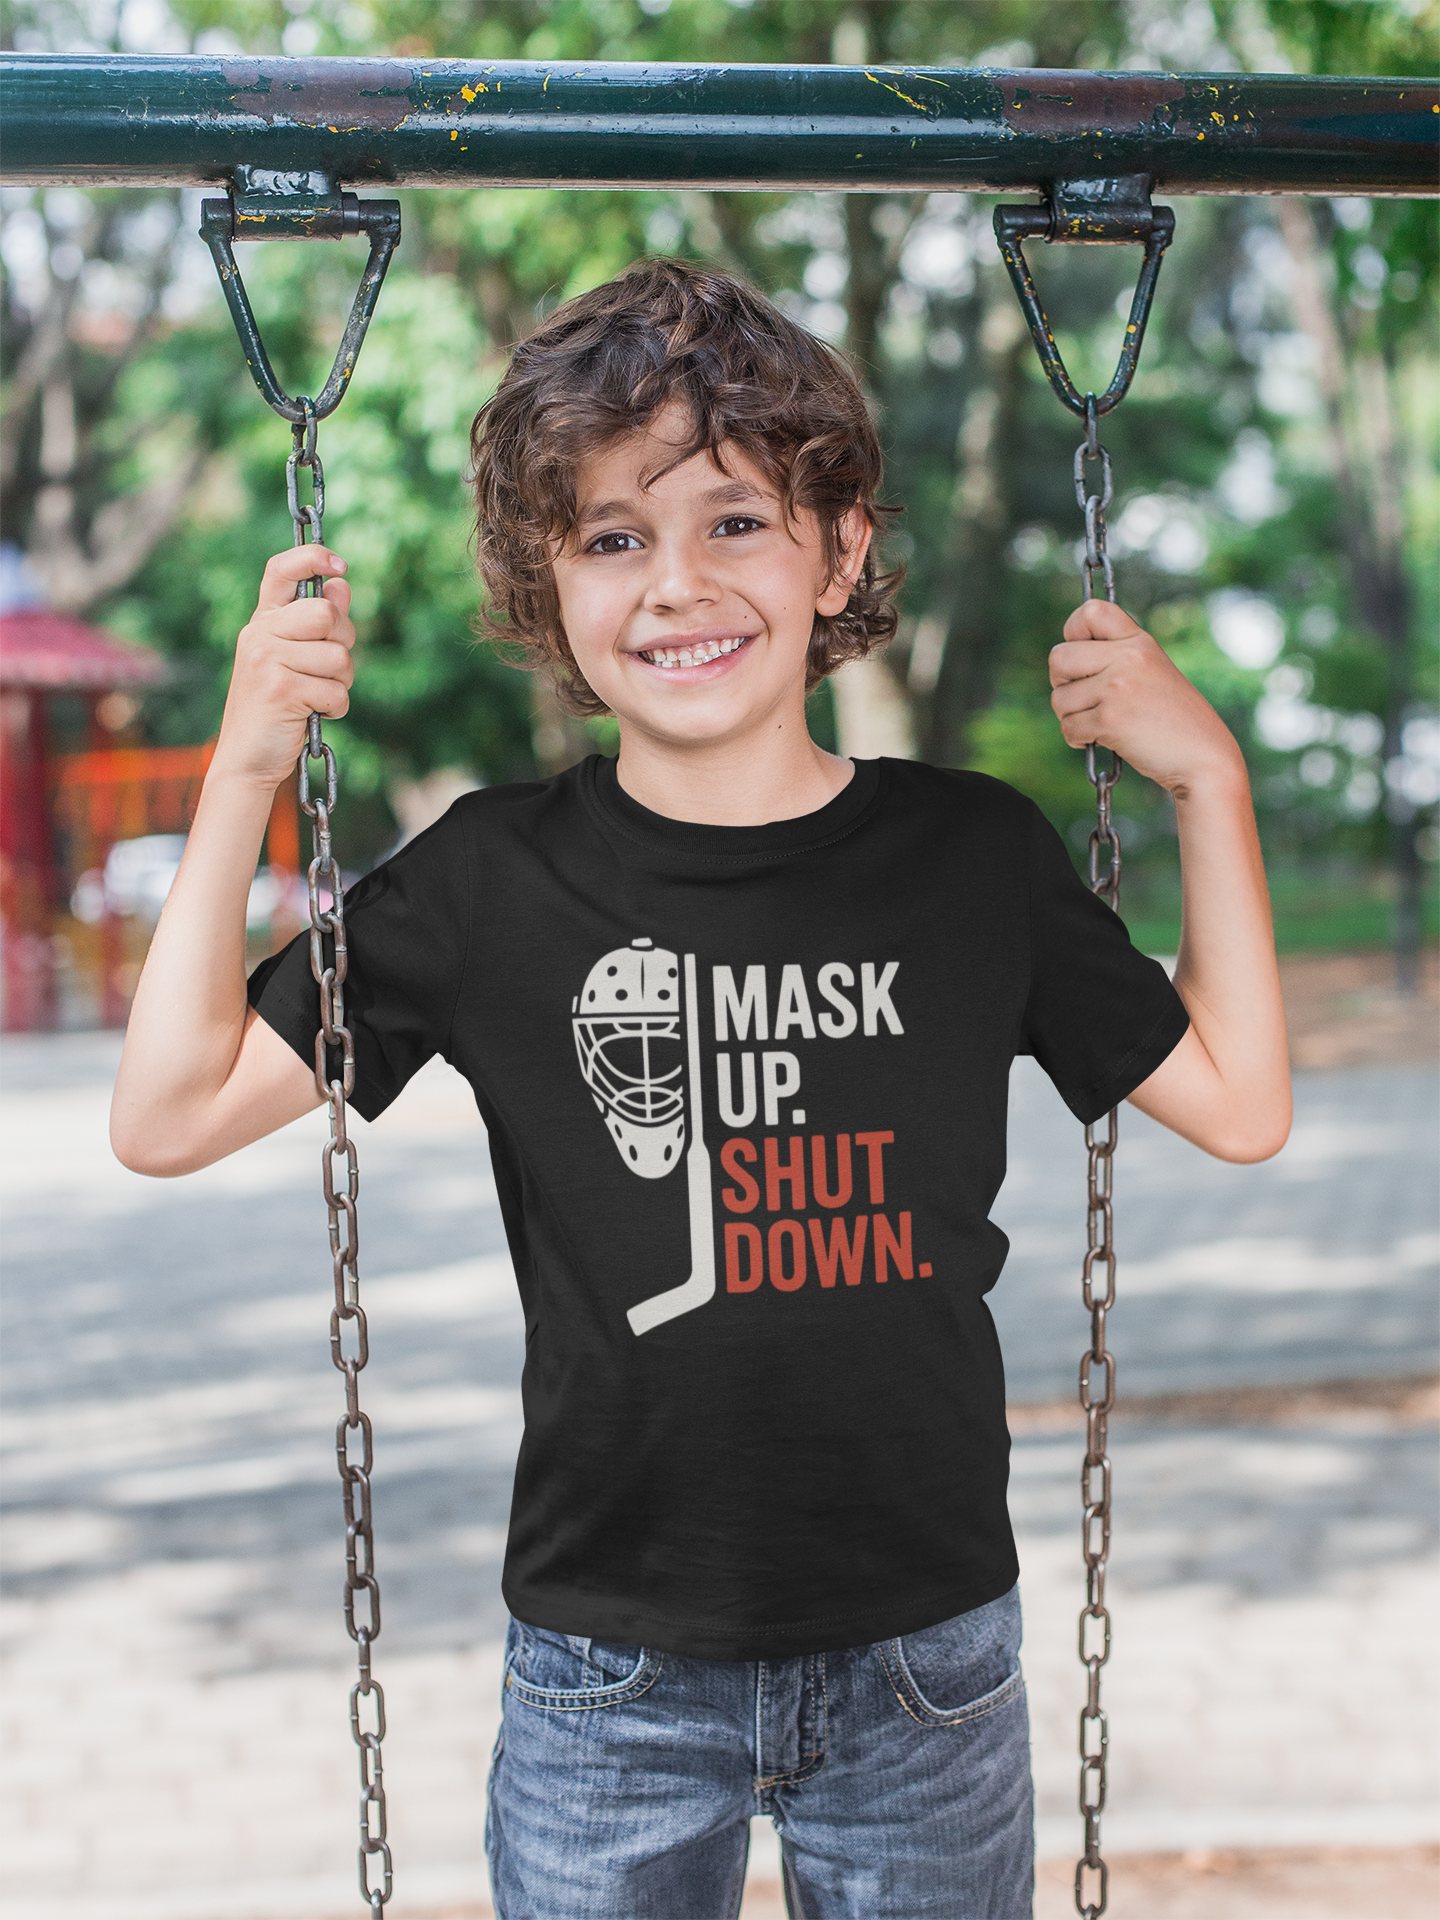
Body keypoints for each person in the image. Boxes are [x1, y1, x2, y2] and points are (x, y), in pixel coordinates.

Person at [111, 258, 1291, 1919]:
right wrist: (244, 767)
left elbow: (1241, 1099)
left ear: (843, 548)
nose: (676, 585)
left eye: (735, 521)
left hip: (926, 1664)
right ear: (553, 582)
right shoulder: (491, 881)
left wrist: (1208, 780)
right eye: (612, 536)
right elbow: (163, 1116)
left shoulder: (968, 858)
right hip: (613, 1674)